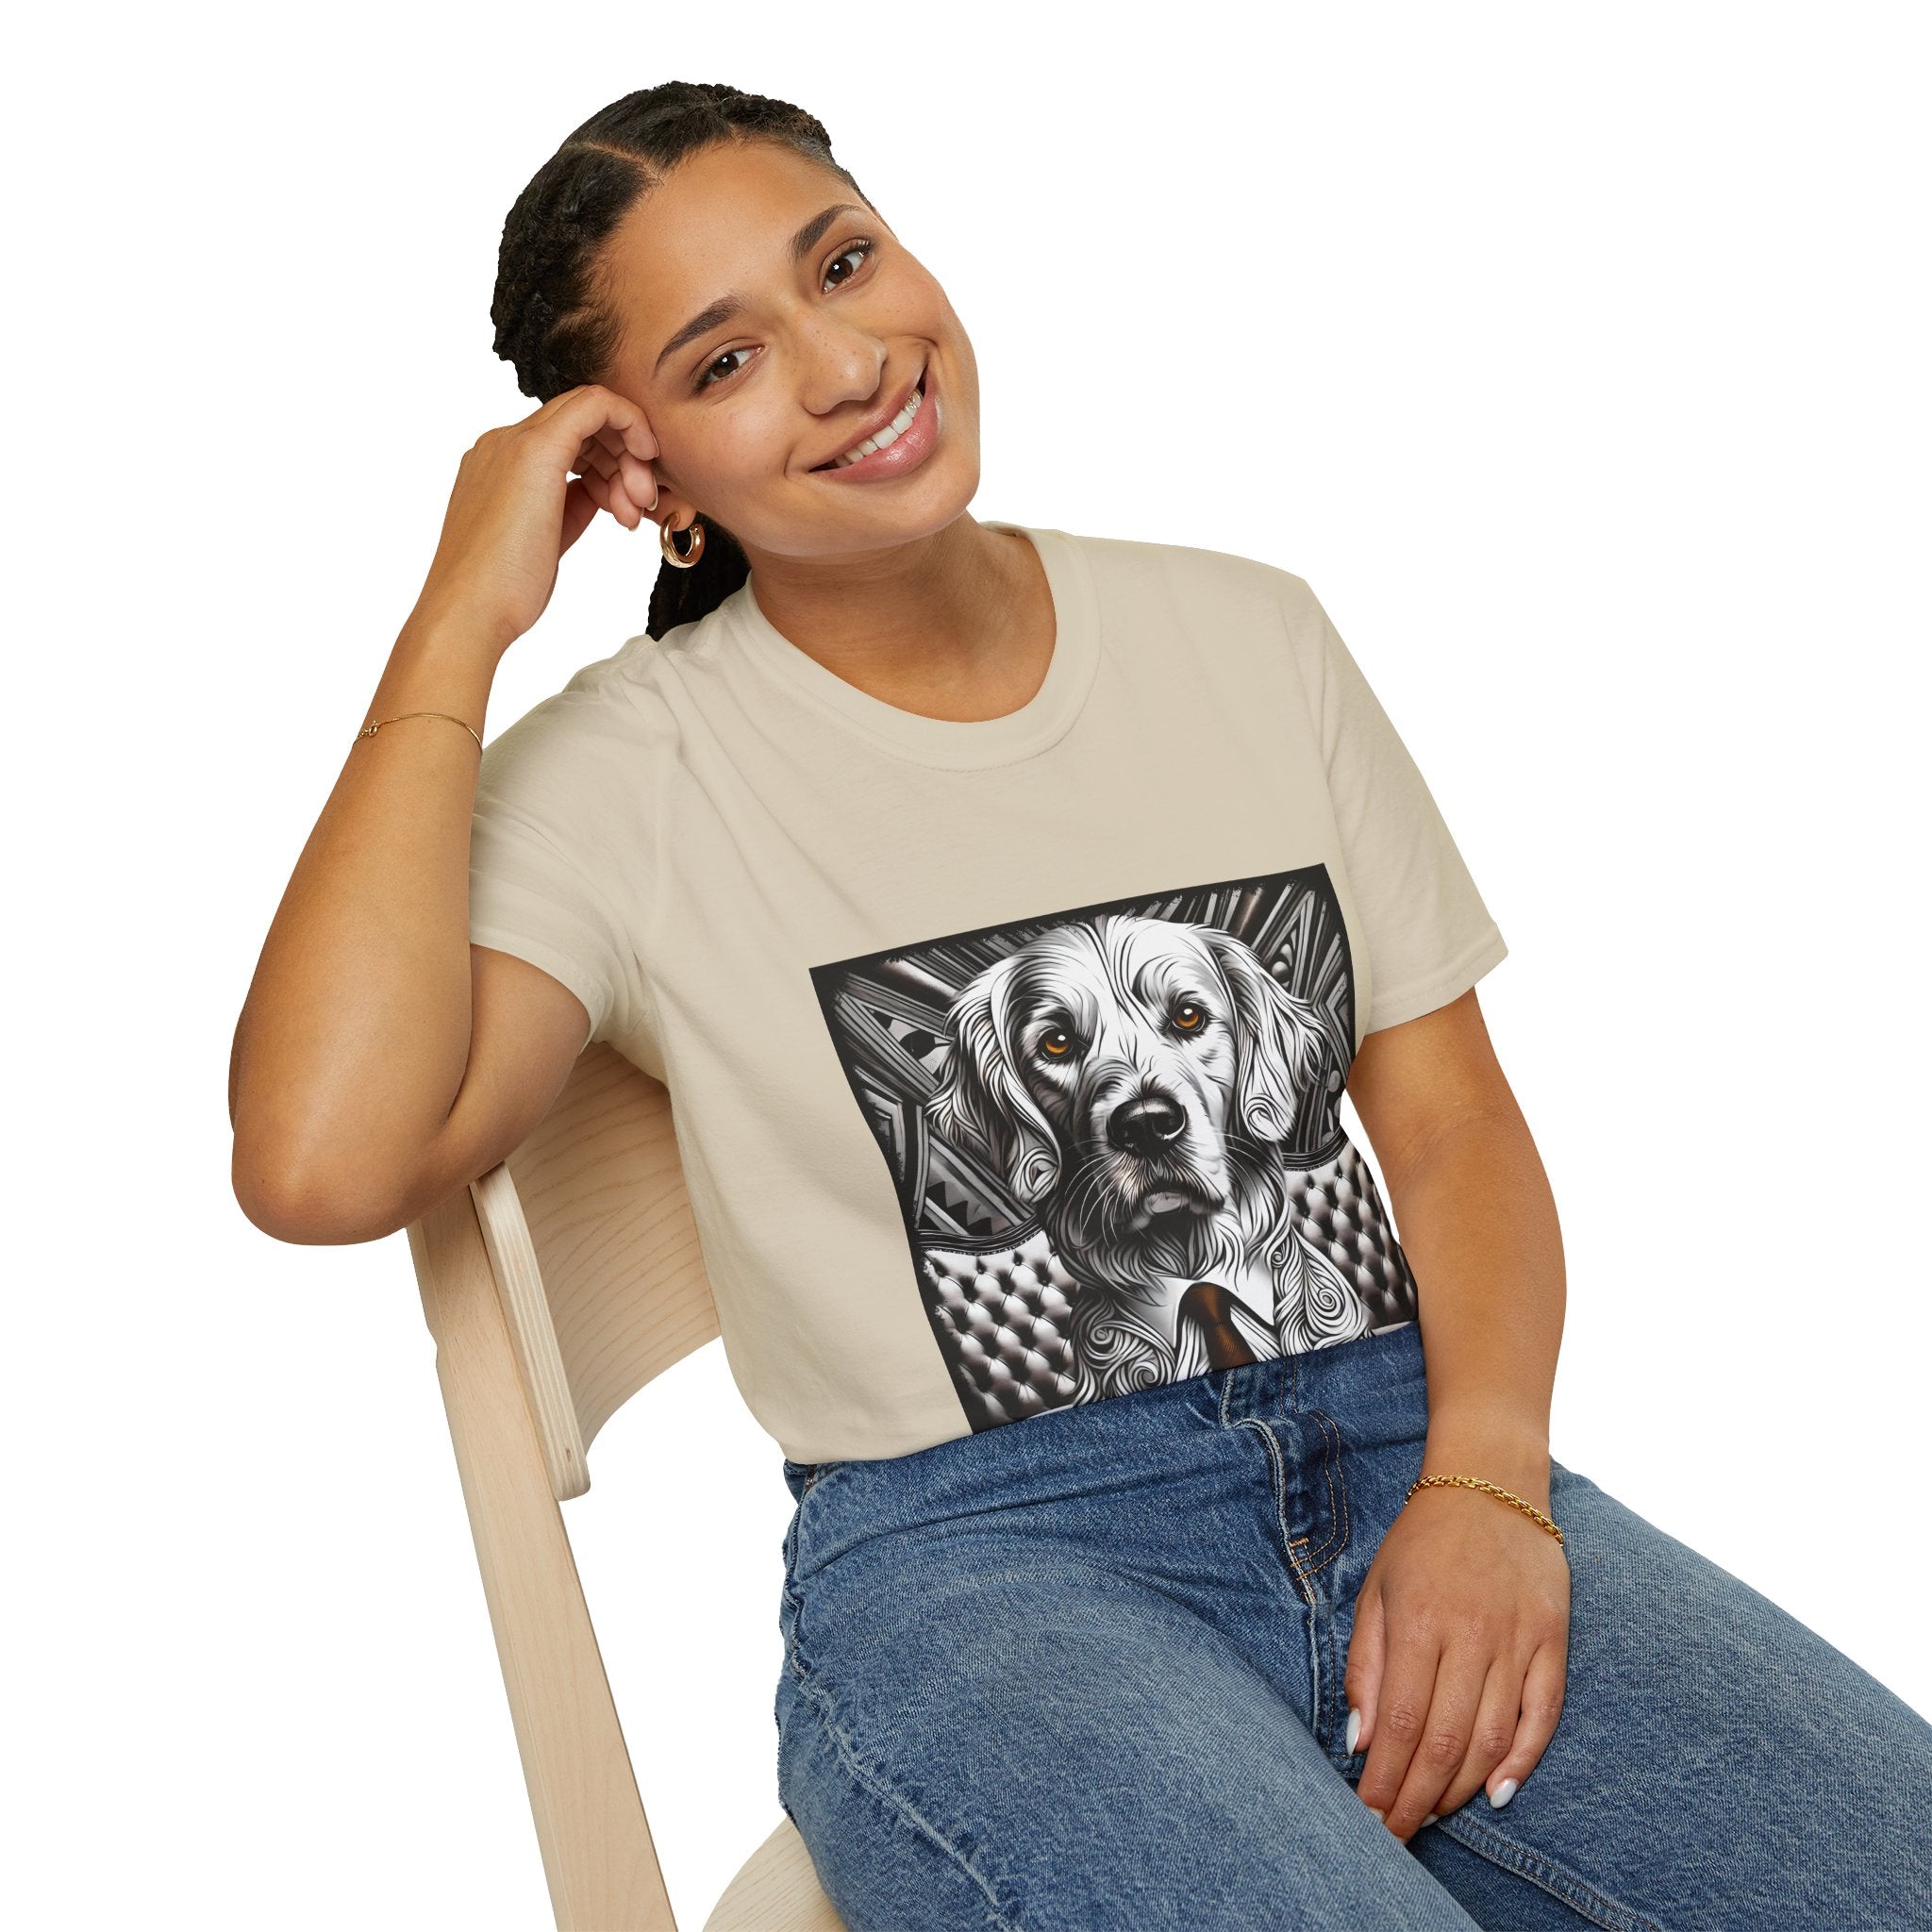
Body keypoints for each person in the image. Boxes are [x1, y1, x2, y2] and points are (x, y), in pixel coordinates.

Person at [228, 80, 1932, 1932]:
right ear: (649, 481)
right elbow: (321, 1158)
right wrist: (455, 619)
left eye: (845, 263)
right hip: (984, 1568)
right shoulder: (629, 772)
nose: (845, 362)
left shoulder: (1245, 635)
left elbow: (1447, 1127)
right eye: (725, 362)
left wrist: (1490, 1486)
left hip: (1406, 1449)